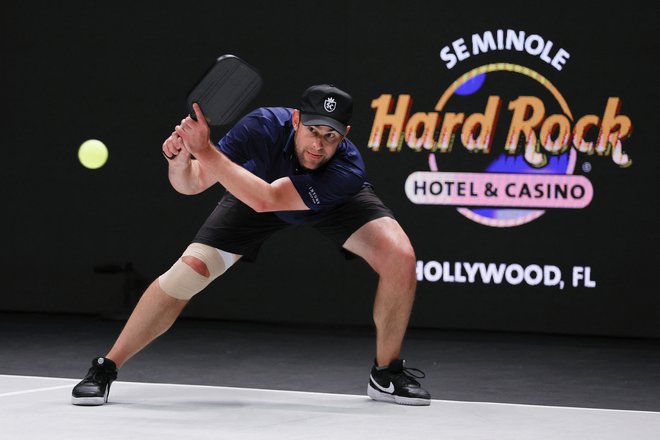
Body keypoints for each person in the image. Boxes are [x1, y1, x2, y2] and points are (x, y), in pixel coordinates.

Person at [71, 84, 431, 406]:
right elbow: (192, 184)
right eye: (311, 131)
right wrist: (180, 161)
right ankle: (106, 367)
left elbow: (269, 200)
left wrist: (205, 149)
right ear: (294, 120)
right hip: (257, 192)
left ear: (346, 135)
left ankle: (385, 374)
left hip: (326, 203)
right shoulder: (260, 127)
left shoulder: (346, 170)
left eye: (331, 136)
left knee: (400, 256)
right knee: (189, 272)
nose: (319, 144)